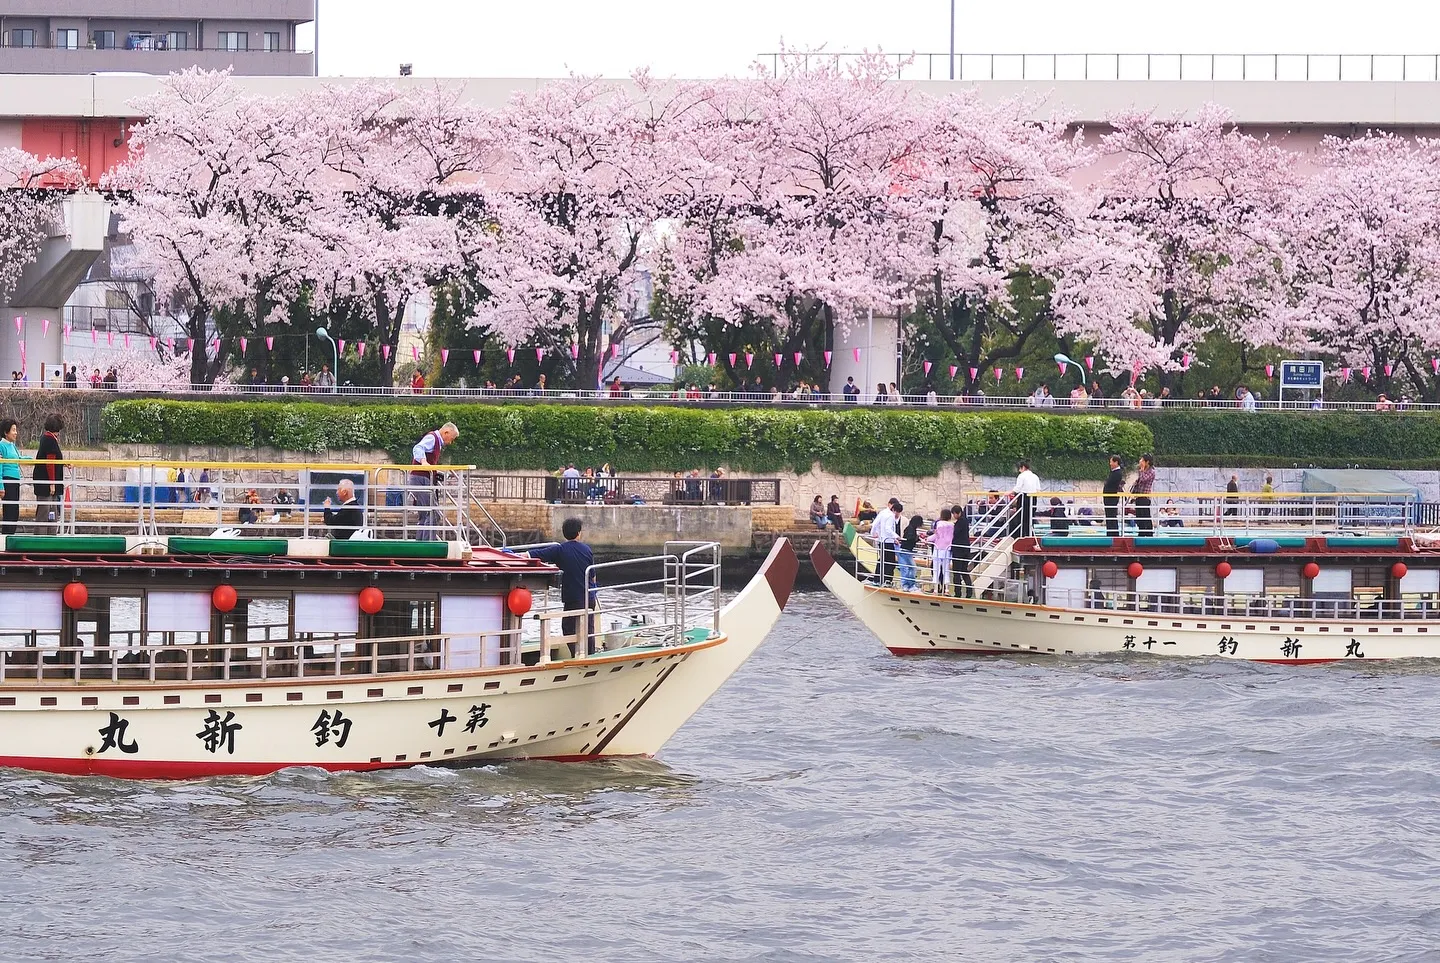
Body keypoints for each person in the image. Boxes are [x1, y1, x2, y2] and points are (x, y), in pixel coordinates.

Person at [529, 517, 597, 654]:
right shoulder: (587, 549)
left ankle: (578, 654)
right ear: (579, 533)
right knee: (588, 629)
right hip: (589, 596)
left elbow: (535, 554)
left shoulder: (559, 550)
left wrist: (516, 555)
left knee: (568, 628)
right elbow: (593, 576)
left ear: (564, 533)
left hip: (573, 598)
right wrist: (594, 592)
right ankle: (590, 654)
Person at [410, 422, 459, 540]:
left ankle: (421, 543)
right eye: (451, 439)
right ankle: (427, 545)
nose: (450, 442)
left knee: (425, 514)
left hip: (420, 478)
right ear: (446, 432)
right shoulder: (432, 438)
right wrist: (423, 462)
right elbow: (418, 448)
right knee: (433, 513)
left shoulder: (436, 441)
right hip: (421, 478)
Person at [32, 414, 63, 530]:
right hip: (47, 483)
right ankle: (42, 538)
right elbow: (50, 462)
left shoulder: (47, 438)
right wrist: (52, 483)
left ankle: (49, 537)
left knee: (51, 512)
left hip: (47, 482)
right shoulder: (49, 440)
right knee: (45, 512)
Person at [0, 418, 26, 536]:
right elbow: (0, 466)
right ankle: (6, 536)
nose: (16, 433)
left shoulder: (12, 445)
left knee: (15, 510)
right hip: (7, 479)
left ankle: (12, 535)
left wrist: (37, 460)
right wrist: (1, 486)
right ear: (6, 432)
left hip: (15, 480)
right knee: (9, 510)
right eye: (13, 430)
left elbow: (19, 459)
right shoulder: (1, 445)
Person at [870, 500, 901, 586]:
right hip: (888, 541)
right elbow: (888, 529)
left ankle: (877, 580)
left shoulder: (883, 513)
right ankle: (887, 580)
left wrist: (873, 533)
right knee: (890, 562)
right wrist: (896, 536)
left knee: (882, 560)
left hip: (882, 540)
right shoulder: (890, 516)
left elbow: (875, 523)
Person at [928, 508, 955, 594]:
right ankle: (946, 590)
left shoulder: (939, 524)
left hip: (938, 548)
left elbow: (937, 536)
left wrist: (927, 539)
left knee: (936, 570)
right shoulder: (952, 525)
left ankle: (936, 589)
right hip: (947, 549)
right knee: (946, 570)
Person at [950, 502, 974, 596]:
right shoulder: (966, 521)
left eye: (954, 514)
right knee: (964, 571)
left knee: (956, 572)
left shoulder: (960, 522)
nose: (953, 516)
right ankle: (969, 591)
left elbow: (955, 533)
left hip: (958, 550)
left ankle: (958, 593)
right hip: (966, 550)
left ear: (957, 513)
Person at [1012, 460, 1040, 538]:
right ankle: (1029, 535)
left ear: (1023, 467)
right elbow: (1038, 490)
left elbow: (1017, 489)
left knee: (1022, 518)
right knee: (1030, 517)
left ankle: (1022, 535)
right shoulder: (1035, 476)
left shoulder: (1022, 476)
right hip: (1033, 498)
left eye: (1019, 468)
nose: (1019, 470)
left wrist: (1010, 492)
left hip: (1024, 497)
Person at [898, 514, 924, 591]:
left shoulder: (910, 528)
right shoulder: (910, 529)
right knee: (911, 568)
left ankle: (907, 585)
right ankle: (909, 585)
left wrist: (918, 538)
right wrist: (918, 538)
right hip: (906, 551)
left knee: (908, 568)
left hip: (906, 550)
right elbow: (910, 538)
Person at [1132, 453, 1156, 536]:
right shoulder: (1142, 471)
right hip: (1139, 496)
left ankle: (1149, 533)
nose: (1140, 461)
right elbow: (1139, 481)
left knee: (1145, 515)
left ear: (1147, 462)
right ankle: (1141, 531)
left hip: (1145, 497)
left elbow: (1143, 479)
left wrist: (1142, 470)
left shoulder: (1151, 472)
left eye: (1142, 460)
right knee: (1139, 515)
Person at [1103, 455, 1123, 538]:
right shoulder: (1114, 472)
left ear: (1116, 462)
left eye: (1111, 462)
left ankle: (1114, 534)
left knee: (1112, 515)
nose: (1110, 463)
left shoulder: (1117, 473)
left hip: (1112, 497)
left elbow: (1110, 483)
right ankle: (1110, 533)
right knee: (1109, 515)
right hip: (1108, 497)